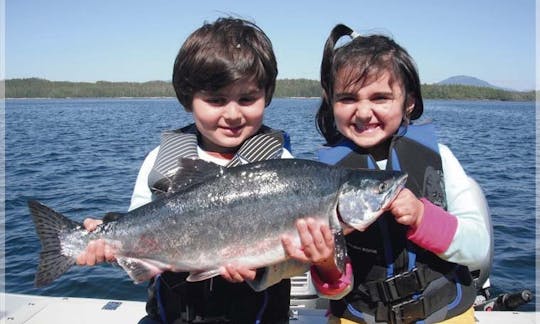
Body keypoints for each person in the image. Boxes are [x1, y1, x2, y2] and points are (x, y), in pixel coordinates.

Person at [77, 17, 306, 324]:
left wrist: (264, 270)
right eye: (216, 100)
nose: (233, 114)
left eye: (247, 99)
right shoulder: (161, 160)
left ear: (267, 95)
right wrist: (106, 242)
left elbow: (299, 259)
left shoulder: (282, 166)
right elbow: (136, 230)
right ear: (189, 100)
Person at [283, 24, 490, 323]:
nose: (364, 112)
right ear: (331, 102)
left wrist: (422, 217)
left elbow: (478, 249)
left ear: (409, 101)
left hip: (445, 313)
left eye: (380, 98)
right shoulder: (322, 176)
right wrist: (327, 264)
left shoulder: (440, 158)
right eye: (348, 99)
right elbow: (333, 290)